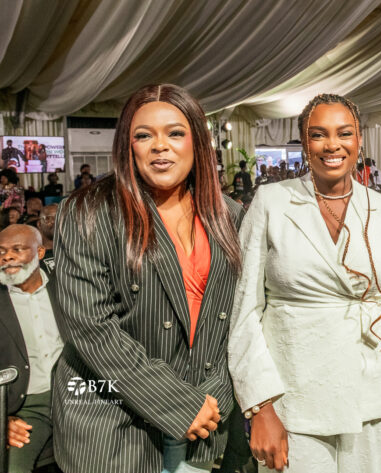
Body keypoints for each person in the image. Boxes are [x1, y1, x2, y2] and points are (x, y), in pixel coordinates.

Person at [53, 84, 244, 473]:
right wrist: (177, 403)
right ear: (128, 146)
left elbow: (240, 317)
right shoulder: (88, 212)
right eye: (143, 135)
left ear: (198, 142)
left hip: (204, 416)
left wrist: (216, 397)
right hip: (113, 421)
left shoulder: (229, 215)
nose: (160, 146)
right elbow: (91, 328)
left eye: (175, 133)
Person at [228, 93, 381, 473]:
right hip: (293, 399)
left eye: (344, 133)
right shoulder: (272, 202)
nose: (332, 145)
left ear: (359, 139)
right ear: (304, 142)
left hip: (369, 395)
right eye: (318, 134)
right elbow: (244, 311)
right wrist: (260, 406)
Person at [0, 225, 64, 473]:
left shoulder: (66, 289)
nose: (7, 256)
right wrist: (2, 420)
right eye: (1, 251)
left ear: (39, 253)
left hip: (77, 397)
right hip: (26, 407)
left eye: (18, 249)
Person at [36, 204, 57, 272]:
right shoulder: (33, 256)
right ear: (39, 224)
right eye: (49, 218)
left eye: (59, 217)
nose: (55, 222)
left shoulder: (72, 252)